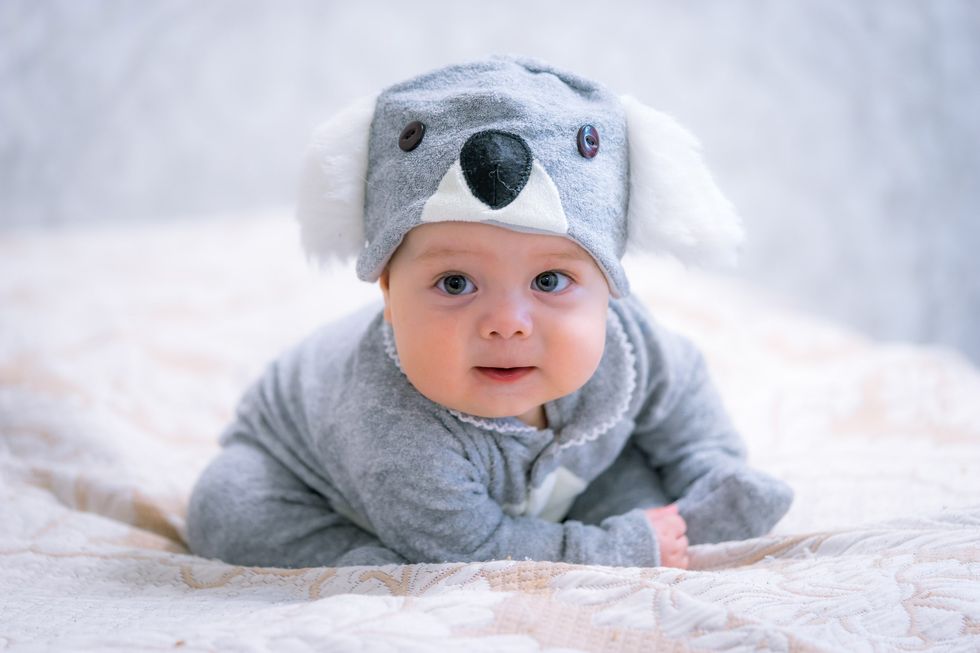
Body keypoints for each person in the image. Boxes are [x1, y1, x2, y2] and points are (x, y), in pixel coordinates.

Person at [186, 56, 793, 569]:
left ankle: (699, 506)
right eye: (455, 283)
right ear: (388, 294)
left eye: (550, 280)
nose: (507, 322)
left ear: (609, 286)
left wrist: (707, 464)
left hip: (553, 479)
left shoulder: (629, 345)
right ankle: (368, 558)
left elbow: (681, 394)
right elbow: (474, 546)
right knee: (229, 506)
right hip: (315, 484)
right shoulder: (394, 428)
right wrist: (617, 550)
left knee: (637, 480)